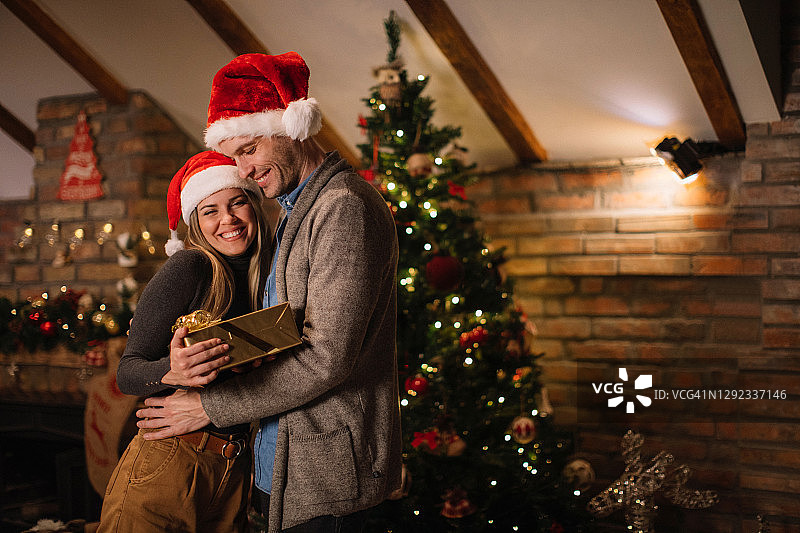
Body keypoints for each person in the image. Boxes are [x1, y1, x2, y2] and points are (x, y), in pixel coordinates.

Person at [136, 51, 403, 532]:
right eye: (235, 155)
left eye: (250, 149)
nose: (242, 169)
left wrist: (206, 407)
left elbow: (327, 357)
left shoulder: (343, 208)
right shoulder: (293, 212)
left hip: (330, 476)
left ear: (290, 127)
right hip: (281, 462)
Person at [98, 151, 270, 532]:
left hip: (235, 469)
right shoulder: (189, 267)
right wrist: (172, 371)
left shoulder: (270, 277)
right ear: (196, 222)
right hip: (170, 460)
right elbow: (128, 373)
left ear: (253, 205)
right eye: (210, 210)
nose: (228, 220)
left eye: (237, 202)